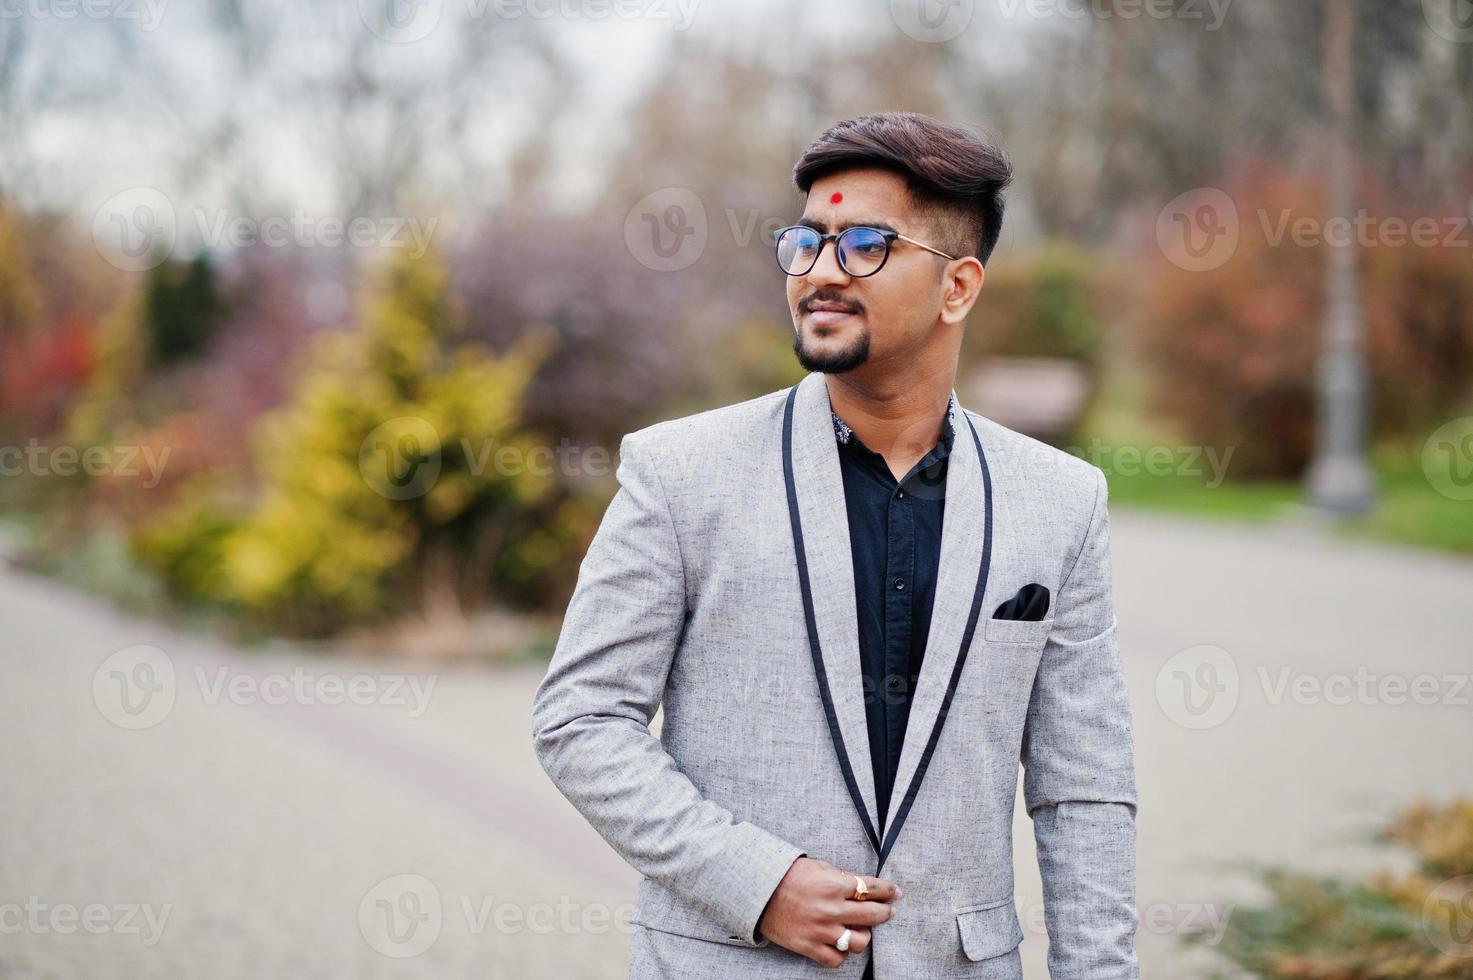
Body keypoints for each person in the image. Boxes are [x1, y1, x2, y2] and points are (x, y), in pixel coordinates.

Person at [531, 110, 1139, 978]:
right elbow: (581, 720)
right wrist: (758, 881)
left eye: (864, 245)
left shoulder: (1060, 501)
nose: (820, 272)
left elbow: (1082, 787)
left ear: (958, 287)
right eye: (806, 242)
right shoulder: (680, 473)